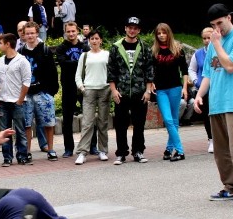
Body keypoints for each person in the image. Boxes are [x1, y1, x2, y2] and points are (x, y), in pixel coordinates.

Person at [193, 4, 233, 209]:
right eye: (213, 25)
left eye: (220, 23)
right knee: (221, 151)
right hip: (217, 103)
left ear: (229, 18)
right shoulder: (214, 42)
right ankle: (231, 187)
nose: (217, 28)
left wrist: (218, 44)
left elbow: (230, 67)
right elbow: (208, 73)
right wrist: (199, 95)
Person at [107, 16, 154, 165]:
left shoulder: (145, 47)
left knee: (139, 124)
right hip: (121, 92)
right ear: (125, 28)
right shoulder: (116, 47)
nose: (132, 30)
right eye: (130, 27)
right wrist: (113, 90)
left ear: (139, 30)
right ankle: (121, 153)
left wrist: (148, 90)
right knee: (121, 124)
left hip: (140, 92)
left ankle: (138, 151)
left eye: (135, 28)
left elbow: (149, 70)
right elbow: (111, 71)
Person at [20, 21, 60, 161]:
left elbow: (53, 72)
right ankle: (27, 151)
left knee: (48, 122)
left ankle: (51, 149)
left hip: (43, 92)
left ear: (37, 33)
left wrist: (51, 91)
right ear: (23, 35)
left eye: (32, 33)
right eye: (27, 33)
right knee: (27, 123)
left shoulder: (45, 50)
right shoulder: (21, 52)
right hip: (26, 93)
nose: (30, 36)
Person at [151, 23, 189, 162]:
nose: (161, 35)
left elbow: (184, 70)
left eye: (164, 32)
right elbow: (150, 71)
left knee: (174, 120)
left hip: (175, 87)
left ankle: (169, 149)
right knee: (168, 119)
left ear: (169, 33)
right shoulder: (154, 51)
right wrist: (151, 82)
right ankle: (180, 151)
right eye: (159, 33)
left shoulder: (178, 49)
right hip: (161, 89)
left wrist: (185, 87)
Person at [0, 33, 32, 166]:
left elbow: (26, 82)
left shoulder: (22, 61)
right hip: (3, 101)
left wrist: (20, 100)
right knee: (5, 131)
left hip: (17, 101)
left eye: (0, 43)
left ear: (8, 44)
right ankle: (7, 157)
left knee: (20, 130)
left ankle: (22, 155)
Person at [74, 29, 111, 165]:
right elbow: (78, 75)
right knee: (87, 123)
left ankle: (102, 150)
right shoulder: (84, 56)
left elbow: (112, 72)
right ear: (89, 40)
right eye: (92, 39)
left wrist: (112, 88)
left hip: (104, 90)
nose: (94, 41)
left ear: (101, 40)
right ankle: (82, 152)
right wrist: (82, 88)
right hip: (89, 90)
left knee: (103, 122)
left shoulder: (107, 54)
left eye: (96, 38)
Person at [55, 21, 90, 158]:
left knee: (88, 118)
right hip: (68, 86)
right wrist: (79, 63)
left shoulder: (85, 47)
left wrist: (73, 64)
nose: (71, 34)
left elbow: (89, 65)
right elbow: (63, 63)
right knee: (67, 119)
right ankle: (68, 148)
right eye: (68, 31)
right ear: (65, 32)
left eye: (73, 31)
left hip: (84, 86)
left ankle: (91, 146)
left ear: (77, 31)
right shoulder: (61, 48)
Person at [189, 27, 214, 153]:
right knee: (206, 115)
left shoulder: (219, 51)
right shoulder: (198, 53)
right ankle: (211, 139)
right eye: (204, 38)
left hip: (217, 89)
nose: (206, 40)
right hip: (203, 90)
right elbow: (192, 69)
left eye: (209, 38)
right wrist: (195, 81)